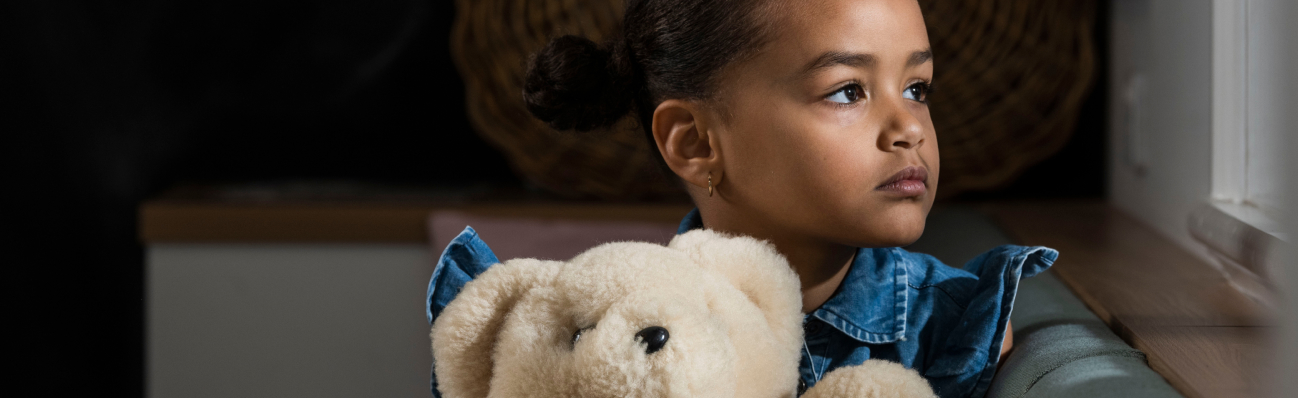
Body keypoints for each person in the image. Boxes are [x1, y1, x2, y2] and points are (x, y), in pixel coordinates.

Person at [428, 0, 1057, 396]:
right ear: (695, 141)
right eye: (847, 91)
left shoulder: (957, 329)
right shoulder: (599, 342)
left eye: (918, 87)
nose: (909, 128)